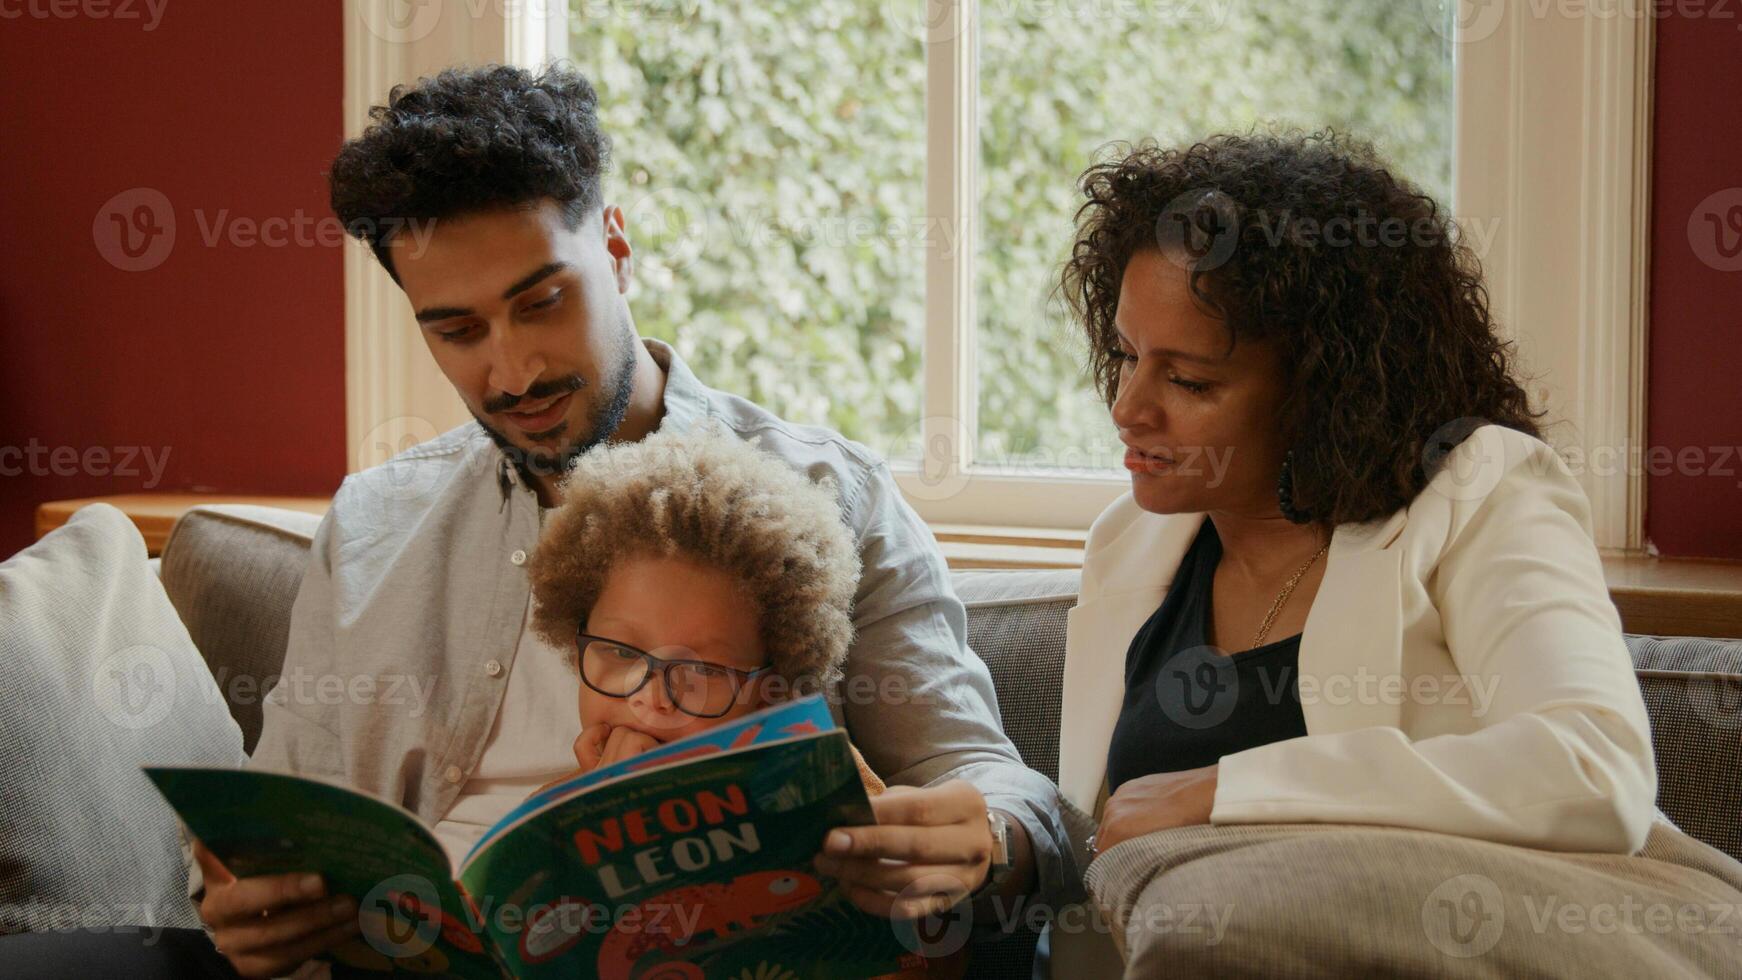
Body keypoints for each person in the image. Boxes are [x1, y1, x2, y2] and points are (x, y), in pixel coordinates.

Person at [171, 64, 1063, 979]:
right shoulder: (371, 526)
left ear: (617, 247)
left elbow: (1002, 786)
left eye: (542, 302)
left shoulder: (831, 493)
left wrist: (988, 836)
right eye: (459, 332)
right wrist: (240, 902)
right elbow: (274, 823)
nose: (513, 372)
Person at [1048, 130, 1742, 976]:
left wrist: (1225, 793)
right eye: (1124, 355)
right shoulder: (1132, 542)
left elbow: (1595, 769)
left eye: (1190, 381)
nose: (1128, 407)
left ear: (1324, 390)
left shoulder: (1481, 491)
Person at [525, 424, 965, 978]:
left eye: (705, 670)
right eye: (618, 650)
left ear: (772, 685)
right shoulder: (549, 819)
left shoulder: (831, 794)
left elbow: (927, 949)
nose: (652, 700)